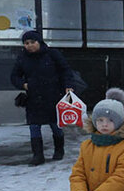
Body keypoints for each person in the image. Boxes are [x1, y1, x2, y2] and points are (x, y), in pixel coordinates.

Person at [10, 29, 75, 165]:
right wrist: (23, 85)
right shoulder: (23, 58)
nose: (29, 45)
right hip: (34, 97)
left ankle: (59, 150)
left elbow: (65, 70)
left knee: (55, 125)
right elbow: (14, 76)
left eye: (32, 42)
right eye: (26, 43)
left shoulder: (52, 54)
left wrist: (68, 85)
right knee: (34, 126)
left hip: (53, 95)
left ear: (39, 42)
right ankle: (38, 155)